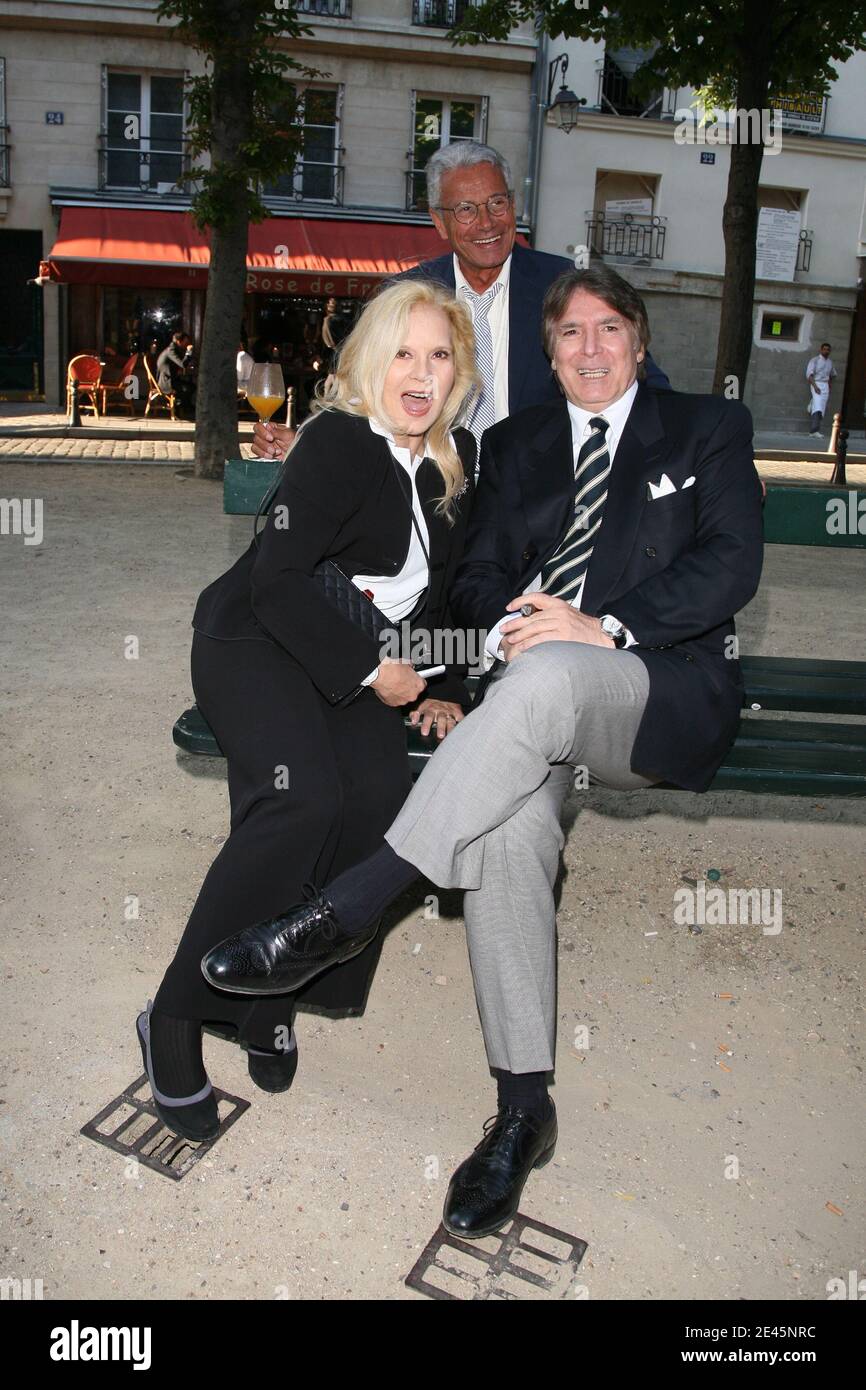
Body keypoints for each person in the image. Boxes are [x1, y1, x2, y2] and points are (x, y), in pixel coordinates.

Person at [203, 262, 764, 1238]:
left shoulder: (706, 431)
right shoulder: (516, 445)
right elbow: (472, 571)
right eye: (568, 336)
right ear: (546, 357)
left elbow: (729, 564)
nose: (589, 349)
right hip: (521, 694)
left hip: (649, 688)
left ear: (637, 341)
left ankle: (353, 903)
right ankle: (521, 1107)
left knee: (548, 676)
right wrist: (505, 628)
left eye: (606, 330)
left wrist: (600, 624)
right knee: (506, 829)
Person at [137, 280, 479, 1143]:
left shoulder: (455, 458)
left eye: (439, 355)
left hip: (359, 661)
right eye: (403, 351)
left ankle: (270, 995)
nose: (421, 371)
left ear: (460, 373)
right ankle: (175, 1016)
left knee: (375, 807)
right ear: (369, 359)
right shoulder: (338, 440)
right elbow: (277, 580)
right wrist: (374, 670)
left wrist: (441, 686)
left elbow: (437, 602)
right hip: (259, 639)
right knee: (302, 800)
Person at [250, 141, 672, 461]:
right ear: (439, 221)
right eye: (466, 209)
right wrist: (306, 438)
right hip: (434, 489)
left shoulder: (566, 287)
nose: (486, 223)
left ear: (513, 205)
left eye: (497, 203)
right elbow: (357, 388)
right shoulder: (406, 295)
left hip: (543, 498)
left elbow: (644, 380)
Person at [805, 342, 837, 435]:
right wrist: (815, 387)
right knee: (818, 407)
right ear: (821, 350)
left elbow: (833, 374)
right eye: (824, 349)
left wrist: (829, 384)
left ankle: (812, 403)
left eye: (828, 350)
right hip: (816, 383)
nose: (826, 351)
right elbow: (809, 375)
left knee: (822, 407)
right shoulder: (814, 360)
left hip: (825, 385)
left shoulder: (830, 362)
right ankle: (814, 430)